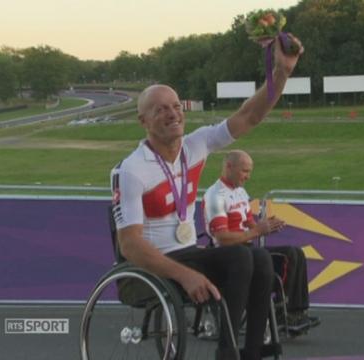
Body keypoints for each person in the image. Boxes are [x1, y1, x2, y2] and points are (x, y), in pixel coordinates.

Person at [110, 34, 303, 360]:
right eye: (160, 110)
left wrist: (281, 73)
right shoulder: (130, 170)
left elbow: (249, 116)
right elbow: (129, 246)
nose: (172, 114)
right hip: (151, 267)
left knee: (259, 258)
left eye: (176, 106)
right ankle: (228, 353)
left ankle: (253, 351)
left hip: (189, 252)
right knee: (240, 256)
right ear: (143, 120)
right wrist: (185, 275)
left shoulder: (195, 145)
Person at [202, 150, 320, 336]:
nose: (248, 177)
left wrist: (267, 226)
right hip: (229, 255)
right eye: (244, 171)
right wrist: (258, 230)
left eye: (249, 172)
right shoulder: (215, 195)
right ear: (229, 167)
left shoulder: (241, 192)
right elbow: (222, 238)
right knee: (288, 256)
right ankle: (285, 312)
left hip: (247, 251)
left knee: (297, 252)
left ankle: (296, 311)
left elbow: (249, 224)